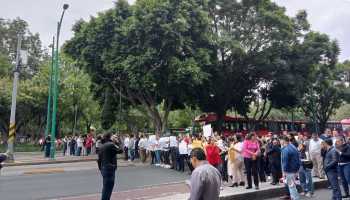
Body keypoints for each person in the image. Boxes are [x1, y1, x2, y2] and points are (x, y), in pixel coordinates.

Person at [97, 133, 123, 200]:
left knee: (105, 188)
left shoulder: (102, 146)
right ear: (110, 137)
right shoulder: (110, 145)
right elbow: (120, 150)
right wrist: (117, 142)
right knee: (108, 188)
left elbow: (98, 160)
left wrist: (100, 168)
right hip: (109, 169)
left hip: (104, 168)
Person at [280, 135, 301, 200]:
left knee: (291, 186)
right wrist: (297, 170)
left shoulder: (286, 149)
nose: (280, 142)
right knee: (293, 185)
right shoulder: (293, 147)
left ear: (283, 140)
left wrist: (284, 172)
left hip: (289, 170)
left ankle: (295, 198)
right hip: (294, 169)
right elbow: (298, 159)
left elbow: (285, 162)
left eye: (280, 140)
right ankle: (294, 197)